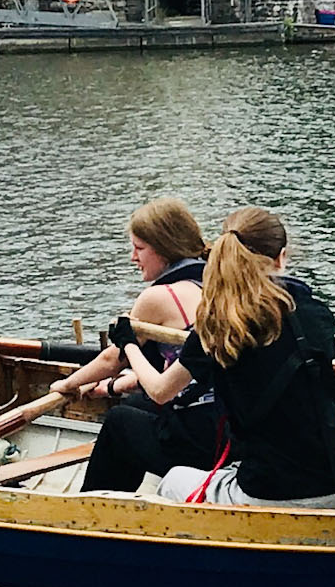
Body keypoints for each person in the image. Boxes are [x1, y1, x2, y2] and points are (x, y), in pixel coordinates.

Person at [117, 206, 335, 509]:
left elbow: (161, 391)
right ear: (281, 257)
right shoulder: (315, 313)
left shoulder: (221, 325)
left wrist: (129, 345)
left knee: (173, 481)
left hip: (268, 492)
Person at [54, 197, 223, 493]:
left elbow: (113, 359)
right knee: (134, 404)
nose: (134, 257)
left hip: (202, 440)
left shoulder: (158, 297)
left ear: (164, 248)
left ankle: (95, 509)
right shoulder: (216, 280)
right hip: (230, 426)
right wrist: (113, 386)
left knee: (119, 423)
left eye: (139, 248)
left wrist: (69, 384)